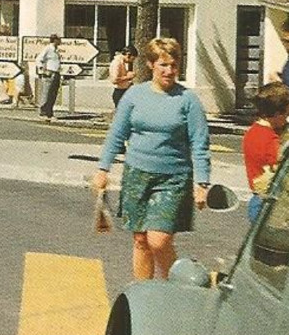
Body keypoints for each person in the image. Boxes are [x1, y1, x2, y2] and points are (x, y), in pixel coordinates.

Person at [90, 36, 213, 280]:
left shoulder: (187, 100)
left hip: (173, 179)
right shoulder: (135, 95)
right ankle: (143, 293)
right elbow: (117, 134)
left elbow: (200, 143)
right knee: (140, 240)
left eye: (174, 65)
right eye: (163, 65)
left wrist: (202, 183)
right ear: (150, 64)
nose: (169, 71)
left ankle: (180, 285)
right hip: (137, 174)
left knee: (158, 240)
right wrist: (103, 168)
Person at [242, 81, 289, 222]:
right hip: (270, 204)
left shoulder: (251, 133)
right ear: (276, 113)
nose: (286, 119)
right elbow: (282, 169)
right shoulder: (271, 140)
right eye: (286, 114)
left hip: (256, 199)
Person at [35, 34, 64, 121]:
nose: (60, 41)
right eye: (59, 39)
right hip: (49, 73)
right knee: (46, 93)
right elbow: (38, 59)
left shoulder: (56, 50)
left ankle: (49, 112)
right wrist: (43, 70)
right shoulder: (48, 49)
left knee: (53, 94)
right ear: (54, 40)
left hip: (56, 73)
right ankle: (44, 112)